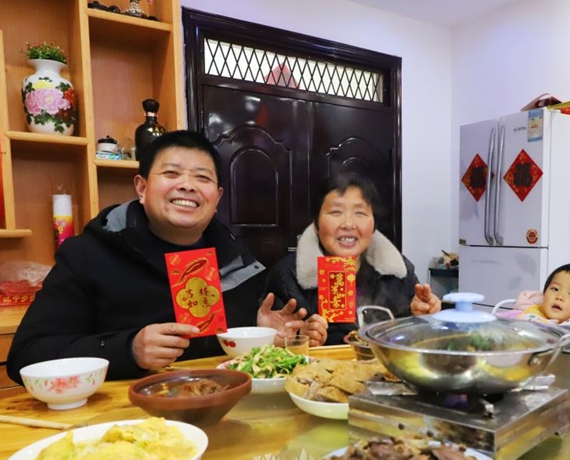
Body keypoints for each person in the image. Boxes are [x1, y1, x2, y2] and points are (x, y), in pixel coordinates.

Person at [7, 130, 326, 383]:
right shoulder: (86, 255)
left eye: (202, 178)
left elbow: (222, 355)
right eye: (172, 173)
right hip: (122, 425)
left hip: (220, 409)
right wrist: (128, 349)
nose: (187, 186)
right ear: (142, 187)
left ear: (217, 198)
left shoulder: (238, 261)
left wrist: (259, 333)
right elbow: (27, 356)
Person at [262, 172, 442, 345]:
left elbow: (412, 340)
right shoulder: (287, 276)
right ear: (316, 224)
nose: (348, 224)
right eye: (335, 212)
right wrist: (299, 337)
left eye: (360, 213)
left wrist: (420, 317)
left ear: (373, 225)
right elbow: (274, 340)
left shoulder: (398, 271)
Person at [497, 263, 570, 326]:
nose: (559, 297)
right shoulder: (525, 315)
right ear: (544, 295)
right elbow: (493, 323)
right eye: (555, 289)